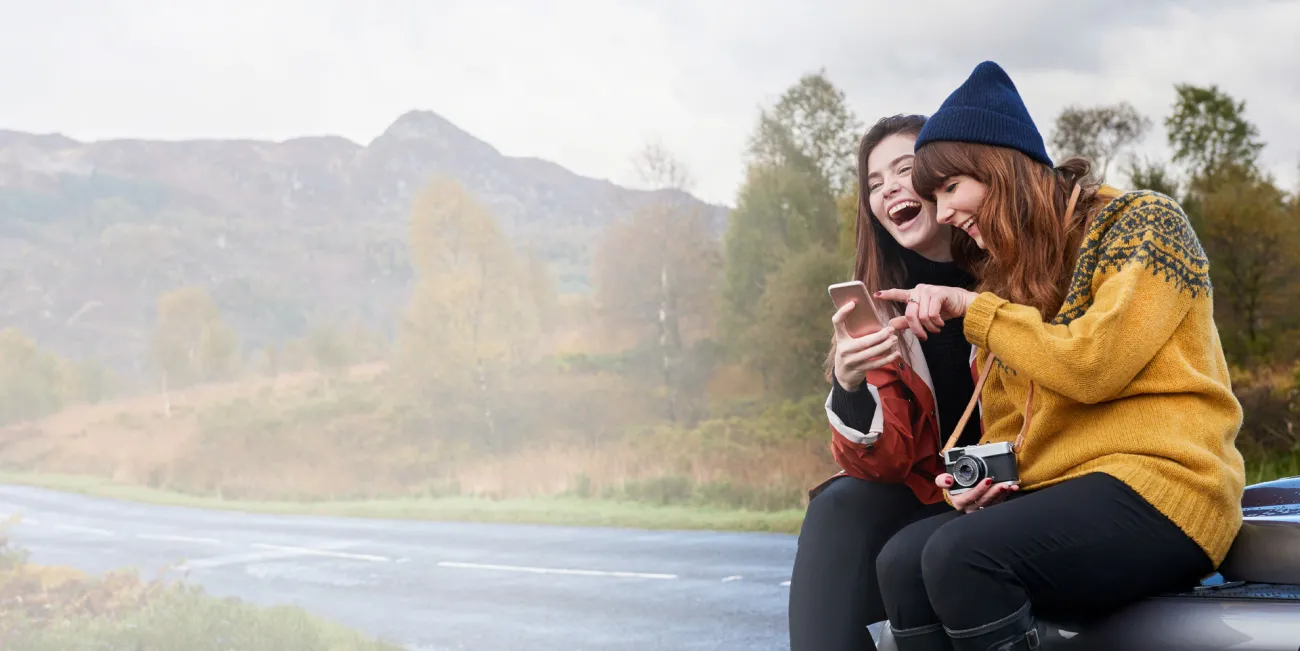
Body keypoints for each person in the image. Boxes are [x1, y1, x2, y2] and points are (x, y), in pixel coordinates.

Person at [870, 61, 1246, 651]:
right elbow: (1009, 428)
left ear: (998, 167)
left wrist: (976, 313)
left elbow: (1095, 366)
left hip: (1166, 488)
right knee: (900, 561)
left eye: (949, 189)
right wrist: (976, 488)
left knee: (957, 556)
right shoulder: (1005, 281)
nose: (944, 215)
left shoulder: (1142, 223)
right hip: (1061, 494)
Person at [787, 114, 985, 651]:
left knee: (910, 555)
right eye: (874, 184)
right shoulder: (880, 309)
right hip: (934, 491)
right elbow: (888, 463)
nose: (889, 188)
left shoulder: (1015, 276)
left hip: (1013, 482)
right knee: (837, 505)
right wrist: (850, 387)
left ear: (947, 178)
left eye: (904, 169)